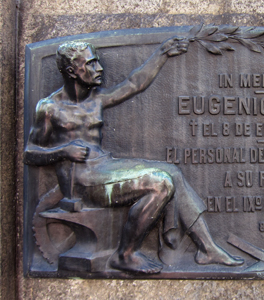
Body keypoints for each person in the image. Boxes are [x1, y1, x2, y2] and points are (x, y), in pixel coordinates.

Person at [24, 38, 244, 273]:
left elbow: (134, 84)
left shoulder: (96, 99)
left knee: (173, 172)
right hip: (82, 182)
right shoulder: (49, 108)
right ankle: (125, 254)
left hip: (104, 167)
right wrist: (62, 151)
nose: (99, 69)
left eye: (97, 62)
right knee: (160, 184)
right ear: (71, 71)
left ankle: (207, 248)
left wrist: (162, 53)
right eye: (90, 64)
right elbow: (30, 153)